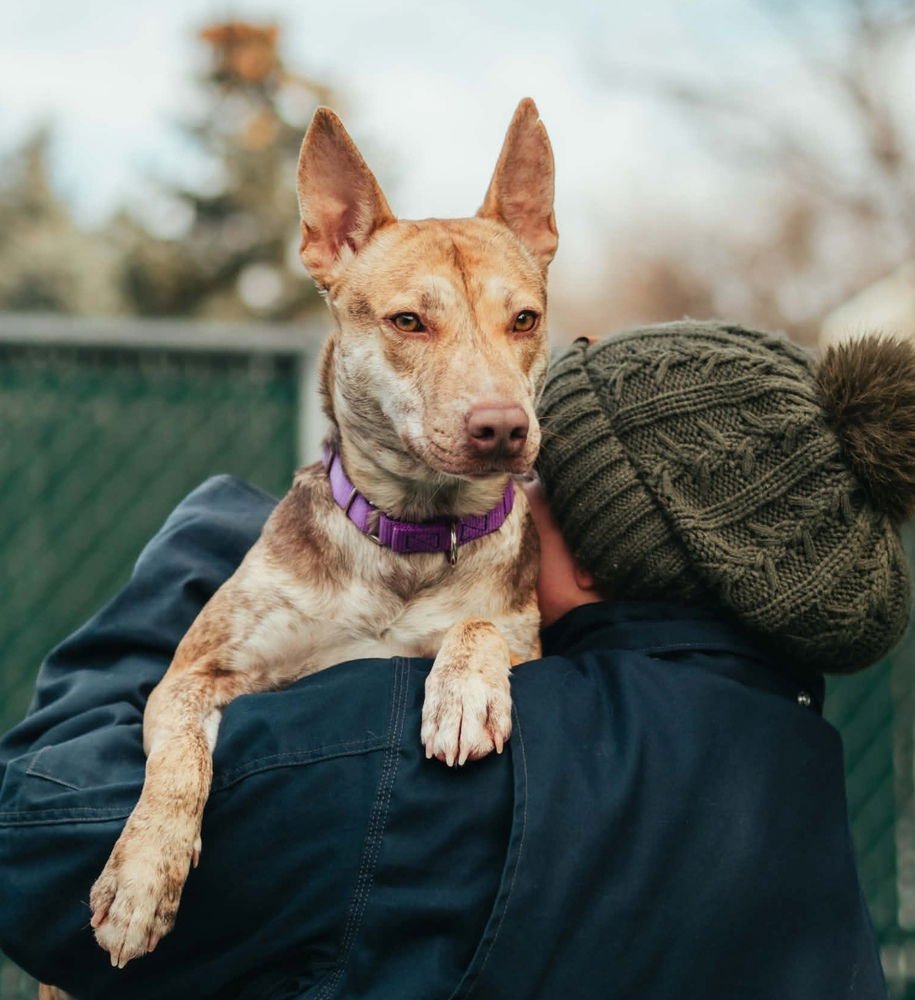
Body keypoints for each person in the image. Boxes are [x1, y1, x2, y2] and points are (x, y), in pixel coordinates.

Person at [2, 320, 913, 1000]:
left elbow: (37, 844)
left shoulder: (429, 749)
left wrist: (203, 554)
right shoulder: (803, 777)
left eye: (538, 485)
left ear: (603, 555)